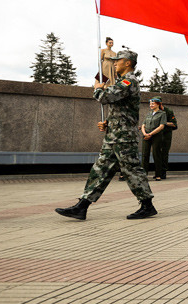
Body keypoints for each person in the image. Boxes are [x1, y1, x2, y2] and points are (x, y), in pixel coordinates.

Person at [55, 49, 157, 220]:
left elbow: (106, 97)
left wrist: (97, 88)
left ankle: (147, 205)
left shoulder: (129, 81)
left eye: (118, 60)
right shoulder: (122, 82)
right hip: (114, 136)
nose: (114, 63)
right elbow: (121, 109)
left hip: (124, 137)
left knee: (132, 170)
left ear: (128, 63)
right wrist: (108, 122)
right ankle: (82, 206)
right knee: (100, 170)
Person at [140, 97, 167, 181]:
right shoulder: (149, 114)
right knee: (145, 155)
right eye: (150, 104)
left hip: (156, 136)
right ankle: (144, 175)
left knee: (156, 154)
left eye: (153, 104)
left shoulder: (162, 114)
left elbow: (161, 126)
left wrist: (151, 134)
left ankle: (158, 175)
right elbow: (143, 125)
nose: (151, 105)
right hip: (146, 135)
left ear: (158, 104)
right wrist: (144, 133)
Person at [158, 97, 178, 180]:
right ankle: (158, 172)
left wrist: (164, 123)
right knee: (157, 153)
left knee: (164, 153)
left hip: (166, 134)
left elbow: (174, 124)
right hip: (157, 134)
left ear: (160, 103)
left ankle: (163, 171)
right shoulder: (154, 111)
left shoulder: (168, 111)